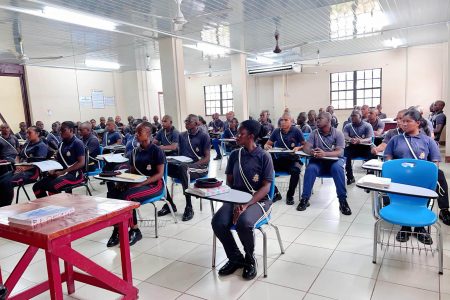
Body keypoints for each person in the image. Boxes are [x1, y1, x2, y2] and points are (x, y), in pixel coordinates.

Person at [211, 119, 274, 280]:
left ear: (251, 136)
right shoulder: (234, 155)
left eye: (241, 133)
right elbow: (230, 182)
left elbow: (266, 187)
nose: (237, 136)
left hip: (259, 200)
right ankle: (235, 258)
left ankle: (249, 259)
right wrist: (233, 202)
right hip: (236, 199)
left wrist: (246, 205)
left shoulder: (264, 156)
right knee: (217, 222)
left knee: (244, 223)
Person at [375, 109, 450, 226]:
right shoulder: (395, 139)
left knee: (437, 178)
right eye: (402, 121)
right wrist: (393, 169)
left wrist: (426, 175)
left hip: (421, 177)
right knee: (403, 197)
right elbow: (387, 156)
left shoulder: (428, 141)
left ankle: (422, 226)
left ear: (418, 123)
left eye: (407, 121)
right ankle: (405, 226)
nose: (404, 124)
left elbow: (435, 162)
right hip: (401, 176)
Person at [106, 122, 165, 247]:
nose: (136, 135)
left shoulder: (156, 151)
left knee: (128, 197)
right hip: (139, 182)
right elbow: (133, 172)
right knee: (113, 193)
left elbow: (159, 174)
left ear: (148, 134)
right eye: (136, 132)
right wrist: (123, 182)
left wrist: (143, 183)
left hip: (154, 185)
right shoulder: (134, 151)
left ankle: (135, 230)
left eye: (139, 132)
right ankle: (117, 229)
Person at [158, 114, 210, 221]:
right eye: (185, 121)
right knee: (161, 168)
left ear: (196, 123)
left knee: (183, 168)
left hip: (200, 167)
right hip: (184, 165)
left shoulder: (204, 136)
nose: (186, 123)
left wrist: (192, 165)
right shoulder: (182, 135)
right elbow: (180, 155)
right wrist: (172, 160)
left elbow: (207, 158)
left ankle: (189, 206)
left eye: (188, 121)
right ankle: (169, 203)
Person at [298, 112, 350, 214]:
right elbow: (306, 147)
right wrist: (311, 152)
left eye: (320, 118)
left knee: (338, 168)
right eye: (317, 118)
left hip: (334, 162)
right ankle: (305, 199)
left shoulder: (338, 133)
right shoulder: (314, 133)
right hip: (319, 162)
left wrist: (324, 153)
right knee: (310, 168)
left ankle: (343, 201)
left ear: (329, 121)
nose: (317, 120)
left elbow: (340, 152)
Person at [32, 121, 85, 198]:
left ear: (71, 130)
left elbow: (81, 163)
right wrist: (52, 169)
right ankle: (47, 206)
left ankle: (58, 207)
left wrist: (63, 172)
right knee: (37, 186)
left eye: (63, 130)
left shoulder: (77, 143)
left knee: (52, 186)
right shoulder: (61, 144)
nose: (60, 132)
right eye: (60, 130)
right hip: (61, 172)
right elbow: (59, 160)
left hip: (74, 175)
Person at [264, 112, 304, 205]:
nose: (283, 122)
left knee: (295, 171)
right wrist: (266, 146)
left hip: (293, 159)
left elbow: (304, 144)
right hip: (281, 159)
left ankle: (290, 195)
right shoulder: (276, 131)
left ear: (291, 121)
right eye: (282, 119)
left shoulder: (296, 131)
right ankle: (276, 193)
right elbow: (267, 143)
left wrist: (298, 148)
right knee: (265, 169)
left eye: (286, 120)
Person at [343, 110, 374, 185]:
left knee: (373, 153)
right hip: (352, 147)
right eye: (352, 116)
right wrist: (351, 139)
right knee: (345, 154)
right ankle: (350, 177)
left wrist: (360, 141)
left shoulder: (367, 125)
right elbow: (345, 136)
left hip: (365, 147)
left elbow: (370, 138)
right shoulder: (348, 126)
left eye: (355, 116)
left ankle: (369, 176)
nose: (352, 118)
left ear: (360, 116)